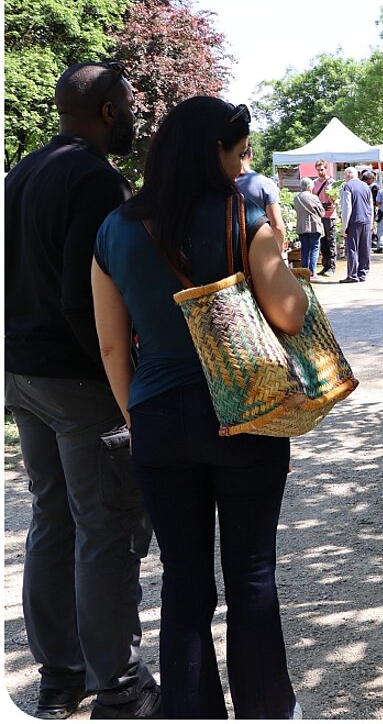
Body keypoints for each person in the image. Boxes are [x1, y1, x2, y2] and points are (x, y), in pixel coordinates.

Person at [90, 96, 306, 720]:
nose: (244, 164)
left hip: (157, 416)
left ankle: (190, 711)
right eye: (238, 151)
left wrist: (136, 415)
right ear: (214, 149)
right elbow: (289, 313)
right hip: (243, 414)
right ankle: (267, 709)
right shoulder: (245, 213)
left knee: (184, 581)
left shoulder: (116, 228)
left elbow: (110, 342)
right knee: (252, 579)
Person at [4, 61, 160, 720]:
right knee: (107, 528)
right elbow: (82, 296)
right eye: (128, 103)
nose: (136, 114)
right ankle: (119, 685)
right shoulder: (95, 179)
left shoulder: (23, 171)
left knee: (53, 518)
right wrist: (118, 381)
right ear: (105, 111)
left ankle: (61, 679)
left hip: (24, 372)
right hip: (76, 377)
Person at [235, 146, 287, 249]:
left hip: (230, 250)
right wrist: (278, 250)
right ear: (251, 156)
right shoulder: (265, 184)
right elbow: (277, 226)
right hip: (259, 249)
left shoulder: (224, 184)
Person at [340, 169, 373, 282]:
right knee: (365, 248)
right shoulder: (365, 186)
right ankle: (362, 273)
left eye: (344, 174)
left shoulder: (347, 186)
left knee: (352, 248)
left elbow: (347, 207)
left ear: (349, 174)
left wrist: (344, 226)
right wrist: (371, 221)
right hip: (366, 220)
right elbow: (371, 205)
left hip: (354, 221)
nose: (344, 176)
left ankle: (352, 275)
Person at [312, 159, 338, 275]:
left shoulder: (332, 182)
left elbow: (338, 198)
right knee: (322, 241)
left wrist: (334, 203)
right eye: (318, 170)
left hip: (330, 215)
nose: (320, 172)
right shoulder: (315, 183)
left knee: (330, 240)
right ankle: (325, 265)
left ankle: (331, 267)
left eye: (322, 169)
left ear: (326, 169)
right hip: (319, 214)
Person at [293, 177, 324, 273]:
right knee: (314, 248)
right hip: (314, 226)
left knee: (304, 249)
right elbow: (322, 212)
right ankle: (312, 271)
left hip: (301, 226)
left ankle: (304, 271)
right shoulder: (314, 197)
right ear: (309, 186)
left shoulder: (296, 198)